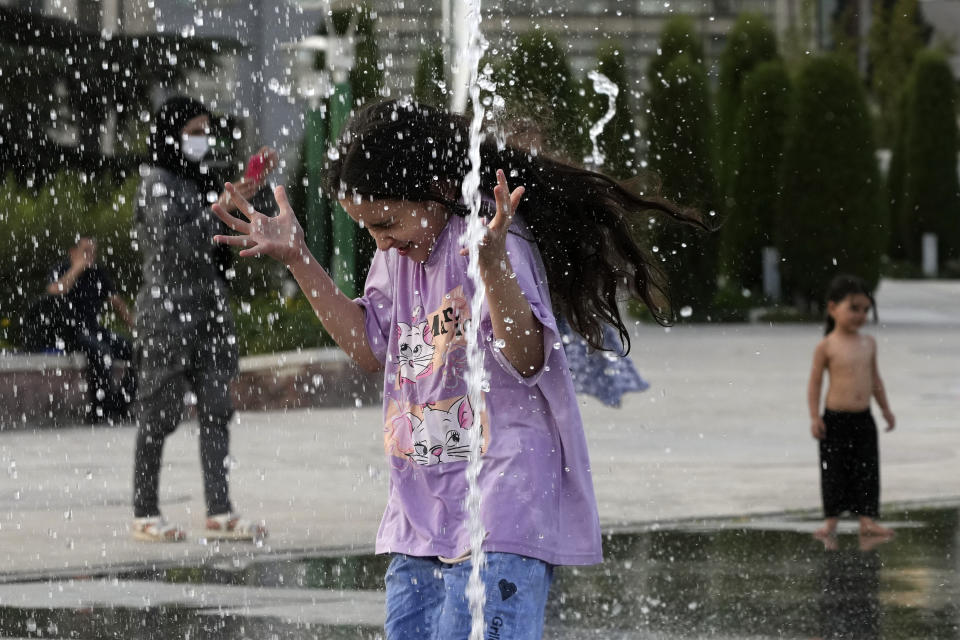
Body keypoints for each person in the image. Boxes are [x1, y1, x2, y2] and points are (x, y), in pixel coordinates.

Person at [212, 99, 703, 638]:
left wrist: (493, 271)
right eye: (368, 229)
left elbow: (528, 357)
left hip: (501, 504)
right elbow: (372, 348)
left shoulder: (493, 244)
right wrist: (299, 259)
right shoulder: (395, 256)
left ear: (440, 190)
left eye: (386, 223)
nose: (381, 241)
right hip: (421, 513)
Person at [130, 96, 277, 543]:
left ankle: (219, 509)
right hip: (166, 317)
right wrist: (222, 204)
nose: (202, 139)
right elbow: (175, 244)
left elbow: (226, 237)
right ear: (172, 133)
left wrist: (247, 194)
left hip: (208, 313)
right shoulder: (156, 182)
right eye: (193, 131)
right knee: (158, 412)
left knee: (216, 407)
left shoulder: (197, 182)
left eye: (205, 130)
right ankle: (144, 512)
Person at [807, 274, 895, 541]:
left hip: (863, 419)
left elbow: (875, 380)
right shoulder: (826, 346)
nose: (860, 315)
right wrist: (814, 416)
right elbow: (814, 384)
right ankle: (831, 520)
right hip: (835, 420)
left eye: (865, 310)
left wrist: (885, 410)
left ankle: (867, 519)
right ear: (832, 308)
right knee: (834, 471)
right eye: (853, 308)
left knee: (867, 469)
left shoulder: (869, 343)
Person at [26, 236, 135, 423]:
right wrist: (77, 268)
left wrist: (135, 327)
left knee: (136, 351)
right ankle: (100, 411)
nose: (90, 256)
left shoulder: (98, 273)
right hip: (68, 332)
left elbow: (116, 302)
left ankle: (120, 405)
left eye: (93, 252)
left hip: (94, 330)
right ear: (73, 252)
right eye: (85, 251)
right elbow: (54, 291)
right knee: (102, 353)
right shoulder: (62, 269)